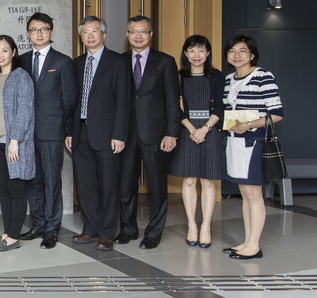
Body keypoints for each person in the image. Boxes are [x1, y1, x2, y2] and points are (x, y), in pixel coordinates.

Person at [66, 16, 130, 252]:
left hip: (107, 134)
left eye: (94, 31)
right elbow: (73, 101)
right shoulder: (76, 63)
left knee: (108, 184)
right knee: (86, 185)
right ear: (81, 37)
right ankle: (90, 229)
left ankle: (106, 233)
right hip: (80, 132)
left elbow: (124, 101)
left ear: (103, 34)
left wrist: (120, 134)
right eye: (85, 32)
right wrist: (69, 131)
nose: (90, 36)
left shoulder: (117, 62)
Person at [117, 16, 182, 249]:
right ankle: (127, 228)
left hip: (155, 133)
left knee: (156, 186)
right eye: (133, 32)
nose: (138, 36)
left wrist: (171, 133)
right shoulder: (119, 61)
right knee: (125, 185)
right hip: (125, 134)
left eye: (143, 32)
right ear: (127, 34)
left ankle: (154, 233)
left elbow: (173, 102)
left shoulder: (165, 62)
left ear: (151, 34)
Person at [222, 35, 283, 260]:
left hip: (254, 142)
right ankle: (247, 241)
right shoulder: (229, 79)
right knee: (244, 194)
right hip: (234, 141)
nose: (236, 55)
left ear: (252, 55)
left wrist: (247, 125)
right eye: (232, 51)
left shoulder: (263, 76)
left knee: (253, 194)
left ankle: (254, 245)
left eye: (242, 51)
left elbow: (276, 114)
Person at [20, 13, 76, 250]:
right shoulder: (21, 60)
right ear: (28, 34)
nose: (39, 33)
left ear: (51, 32)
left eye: (43, 29)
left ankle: (52, 229)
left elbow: (70, 99)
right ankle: (38, 224)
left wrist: (64, 129)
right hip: (26, 132)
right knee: (32, 181)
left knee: (52, 182)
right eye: (34, 30)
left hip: (51, 132)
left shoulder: (63, 61)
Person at [169, 35, 225, 248]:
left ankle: (206, 226)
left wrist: (205, 129)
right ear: (185, 53)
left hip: (210, 130)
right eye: (192, 51)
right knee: (190, 179)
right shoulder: (179, 77)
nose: (196, 55)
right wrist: (193, 129)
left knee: (208, 181)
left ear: (208, 53)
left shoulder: (217, 76)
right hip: (187, 130)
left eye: (201, 50)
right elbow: (175, 106)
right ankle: (192, 224)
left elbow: (221, 106)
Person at [0, 35, 35, 252]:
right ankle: (7, 233)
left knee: (16, 189)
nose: (0, 55)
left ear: (14, 52)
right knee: (4, 190)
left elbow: (25, 110)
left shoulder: (21, 77)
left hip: (13, 143)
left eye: (5, 50)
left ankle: (14, 237)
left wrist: (15, 140)